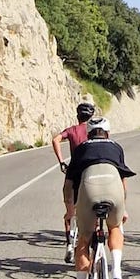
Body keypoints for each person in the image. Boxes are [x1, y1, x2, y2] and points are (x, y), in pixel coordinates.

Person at [64, 116, 136, 279]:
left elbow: (69, 184)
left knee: (84, 241)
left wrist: (70, 209)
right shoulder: (116, 147)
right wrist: (123, 208)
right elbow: (123, 180)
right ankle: (117, 273)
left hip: (88, 191)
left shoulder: (81, 149)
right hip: (114, 191)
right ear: (108, 133)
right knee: (115, 227)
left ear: (88, 134)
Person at [51, 100, 96, 263]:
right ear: (92, 116)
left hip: (74, 172)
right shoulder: (94, 130)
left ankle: (70, 244)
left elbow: (56, 139)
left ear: (78, 116)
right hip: (92, 172)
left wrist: (61, 161)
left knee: (70, 211)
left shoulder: (71, 130)